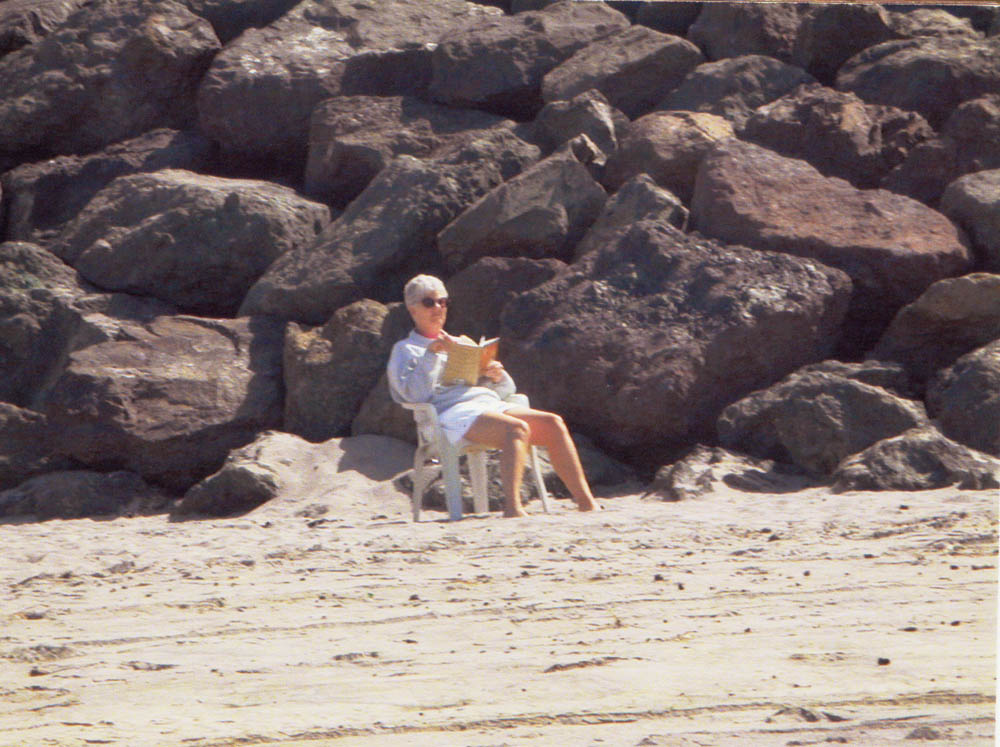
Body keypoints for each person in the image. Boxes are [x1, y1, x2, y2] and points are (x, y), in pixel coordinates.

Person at [387, 274, 600, 518]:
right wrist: (430, 355)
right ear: (413, 309)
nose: (439, 308)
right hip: (448, 413)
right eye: (430, 303)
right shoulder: (405, 350)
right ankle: (513, 507)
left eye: (443, 302)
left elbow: (506, 393)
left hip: (484, 403)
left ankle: (586, 503)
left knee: (553, 423)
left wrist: (496, 375)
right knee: (516, 429)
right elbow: (413, 395)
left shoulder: (460, 343)